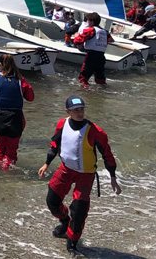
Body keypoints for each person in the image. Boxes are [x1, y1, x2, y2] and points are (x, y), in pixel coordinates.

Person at [37, 95, 121, 256]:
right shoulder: (62, 124)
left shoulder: (95, 131)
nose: (80, 113)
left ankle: (72, 244)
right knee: (52, 200)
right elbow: (55, 143)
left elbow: (107, 155)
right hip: (66, 169)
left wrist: (113, 177)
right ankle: (64, 221)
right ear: (68, 111)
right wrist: (47, 162)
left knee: (79, 209)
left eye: (82, 109)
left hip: (85, 175)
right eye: (76, 110)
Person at [0, 53, 34, 169]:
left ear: (0, 65)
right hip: (16, 117)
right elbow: (31, 97)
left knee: (0, 146)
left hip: (0, 116)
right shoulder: (20, 80)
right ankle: (8, 174)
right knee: (12, 148)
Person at [73, 12, 111, 89]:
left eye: (88, 21)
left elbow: (78, 41)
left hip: (91, 56)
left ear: (92, 22)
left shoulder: (90, 30)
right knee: (100, 79)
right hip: (101, 57)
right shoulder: (105, 32)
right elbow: (108, 41)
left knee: (83, 78)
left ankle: (85, 93)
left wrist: (76, 36)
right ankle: (103, 91)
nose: (87, 22)